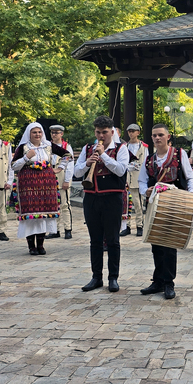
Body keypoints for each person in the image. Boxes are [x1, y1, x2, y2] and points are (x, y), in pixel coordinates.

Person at [138, 123, 193, 300]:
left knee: (169, 245)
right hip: (155, 206)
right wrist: (145, 191)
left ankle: (169, 282)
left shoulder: (179, 154)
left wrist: (192, 196)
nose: (157, 138)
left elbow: (190, 177)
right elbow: (141, 181)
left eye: (160, 135)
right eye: (154, 135)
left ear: (168, 137)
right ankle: (158, 281)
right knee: (156, 243)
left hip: (174, 205)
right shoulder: (149, 159)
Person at [74, 116, 129, 293]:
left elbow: (121, 170)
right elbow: (76, 172)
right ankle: (96, 277)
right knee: (95, 240)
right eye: (98, 132)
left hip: (112, 199)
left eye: (104, 132)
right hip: (91, 198)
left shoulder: (121, 148)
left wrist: (103, 155)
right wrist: (87, 163)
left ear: (112, 132)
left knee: (113, 240)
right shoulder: (87, 149)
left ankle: (113, 278)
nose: (101, 136)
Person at [11, 122, 68, 255]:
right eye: (34, 132)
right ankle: (31, 246)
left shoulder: (48, 146)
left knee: (43, 214)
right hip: (28, 183)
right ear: (29, 134)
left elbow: (67, 155)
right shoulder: (23, 147)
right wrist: (26, 157)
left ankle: (41, 245)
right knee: (31, 215)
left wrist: (60, 168)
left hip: (46, 183)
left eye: (39, 132)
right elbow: (13, 166)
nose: (37, 135)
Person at [48, 125, 76, 239]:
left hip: (62, 176)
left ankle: (67, 228)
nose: (54, 135)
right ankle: (54, 229)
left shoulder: (66, 147)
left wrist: (67, 180)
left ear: (61, 134)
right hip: (50, 178)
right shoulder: (48, 146)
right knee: (53, 205)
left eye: (56, 132)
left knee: (65, 204)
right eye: (52, 133)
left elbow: (70, 165)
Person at [124, 123, 149, 237]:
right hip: (127, 177)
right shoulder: (125, 146)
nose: (131, 133)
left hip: (138, 177)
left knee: (138, 204)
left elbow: (146, 162)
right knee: (126, 203)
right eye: (129, 131)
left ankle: (140, 225)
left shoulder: (144, 147)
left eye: (133, 131)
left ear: (138, 132)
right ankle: (127, 226)